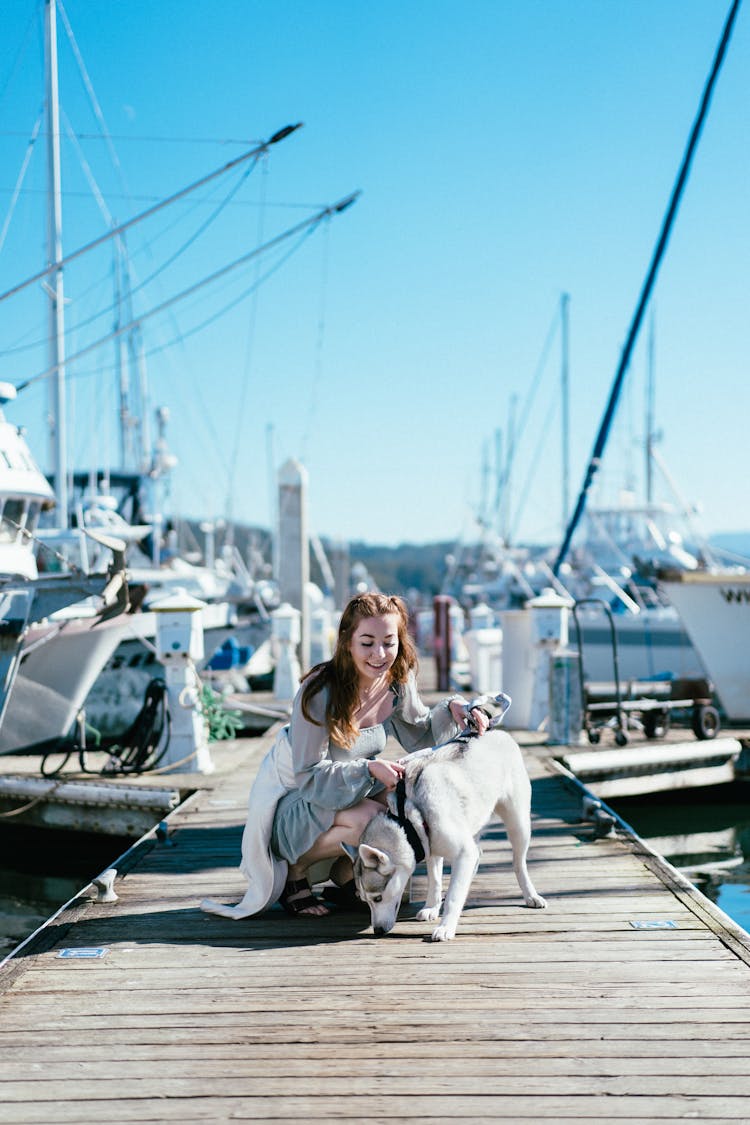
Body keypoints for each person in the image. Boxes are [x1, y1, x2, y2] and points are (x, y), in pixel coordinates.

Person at [201, 591, 489, 921]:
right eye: (367, 642)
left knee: (411, 810)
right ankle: (294, 873)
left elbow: (419, 733)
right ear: (347, 641)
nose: (379, 654)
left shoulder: (396, 679)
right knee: (374, 819)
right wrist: (369, 770)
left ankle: (346, 876)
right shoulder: (320, 690)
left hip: (345, 790)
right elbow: (309, 776)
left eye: (388, 642)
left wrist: (455, 710)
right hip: (294, 802)